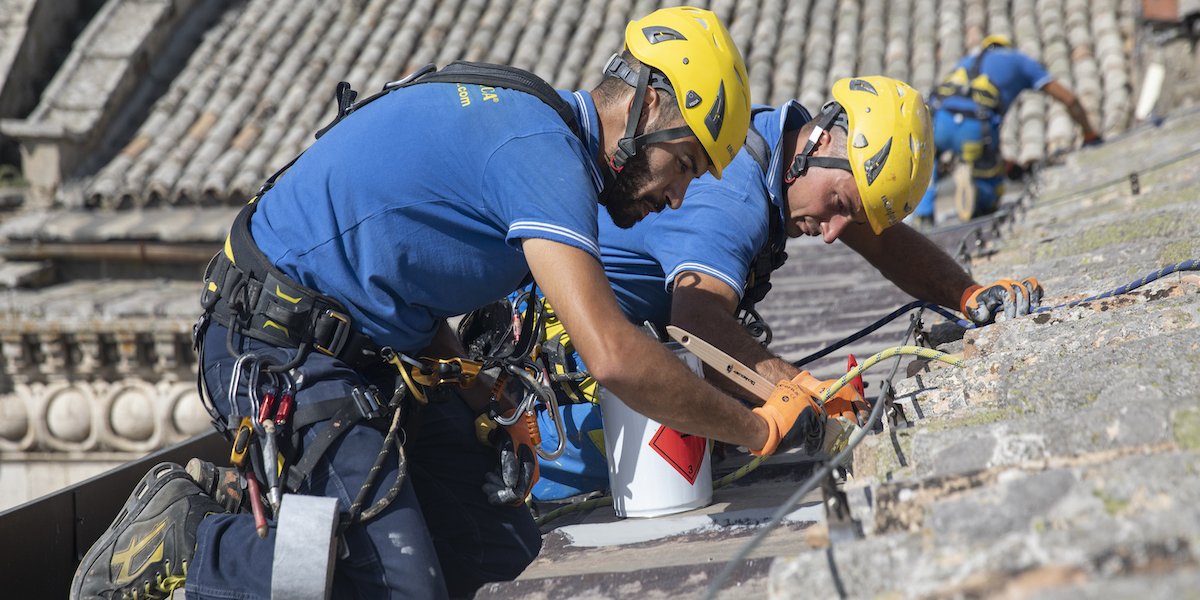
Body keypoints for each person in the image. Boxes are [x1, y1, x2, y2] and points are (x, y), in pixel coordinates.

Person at [67, 7, 829, 600]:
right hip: (278, 346)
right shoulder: (542, 155)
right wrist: (755, 426)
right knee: (396, 586)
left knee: (493, 542)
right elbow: (613, 353)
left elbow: (401, 271)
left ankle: (272, 521)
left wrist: (474, 389)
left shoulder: (531, 129)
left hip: (359, 350)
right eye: (685, 163)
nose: (679, 195)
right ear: (647, 109)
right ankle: (189, 546)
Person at [527, 76, 1046, 502]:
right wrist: (804, 390)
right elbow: (696, 326)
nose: (833, 232)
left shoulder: (781, 148)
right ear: (822, 141)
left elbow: (885, 243)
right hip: (560, 390)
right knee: (678, 467)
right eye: (841, 205)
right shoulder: (735, 197)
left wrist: (966, 294)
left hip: (627, 354)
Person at [912, 34, 1102, 225]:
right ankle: (981, 211)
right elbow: (1069, 100)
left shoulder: (967, 60)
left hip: (938, 121)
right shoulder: (1020, 60)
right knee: (988, 189)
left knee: (927, 165)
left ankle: (924, 216)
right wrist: (1089, 133)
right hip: (976, 127)